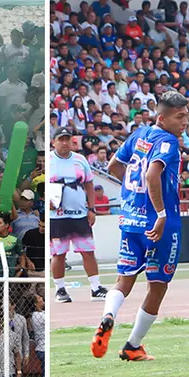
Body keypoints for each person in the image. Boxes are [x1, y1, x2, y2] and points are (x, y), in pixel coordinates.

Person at [92, 90, 189, 362]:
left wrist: (134, 197)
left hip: (130, 220)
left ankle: (107, 315)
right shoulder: (168, 141)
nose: (185, 122)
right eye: (180, 117)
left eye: (187, 115)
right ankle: (132, 345)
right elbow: (151, 174)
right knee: (157, 285)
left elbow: (113, 165)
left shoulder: (139, 134)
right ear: (163, 117)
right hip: (159, 224)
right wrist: (159, 212)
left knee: (124, 280)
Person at [49, 126, 108, 303]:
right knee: (59, 254)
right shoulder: (50, 160)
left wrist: (92, 209)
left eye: (68, 139)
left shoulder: (80, 159)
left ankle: (96, 287)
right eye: (61, 139)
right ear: (54, 142)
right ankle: (60, 289)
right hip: (57, 216)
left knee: (88, 251)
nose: (65, 143)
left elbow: (89, 185)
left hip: (79, 214)